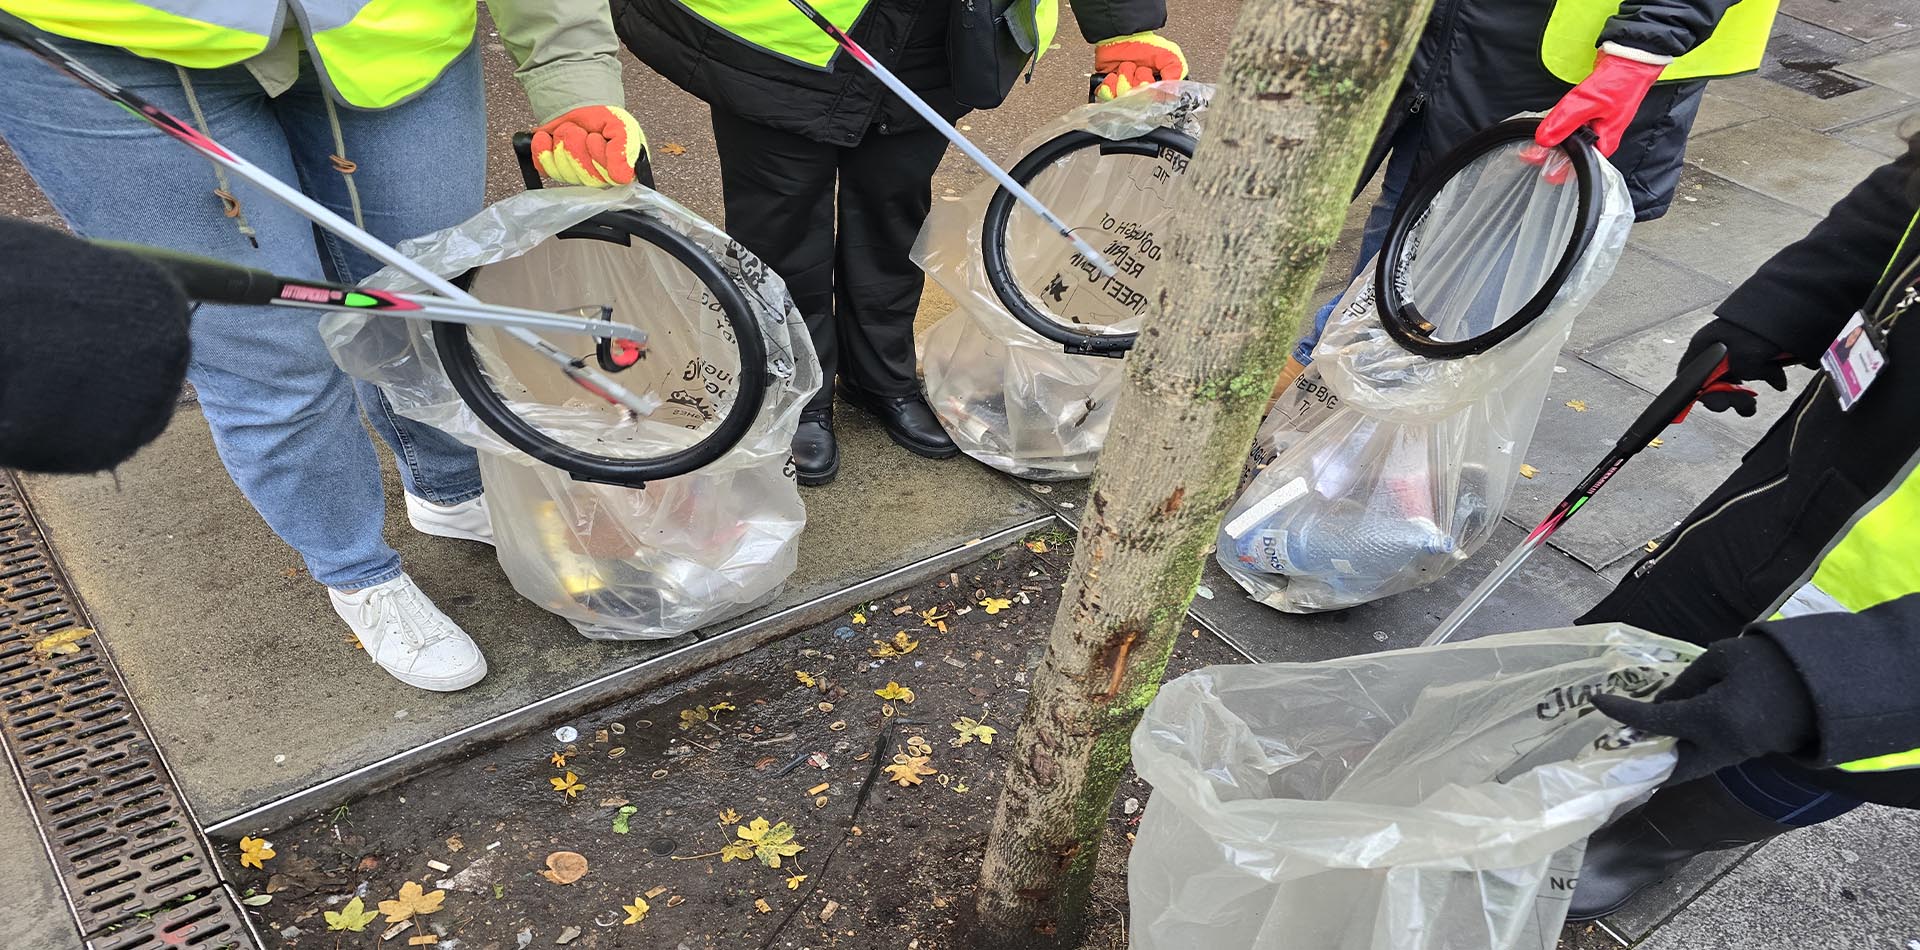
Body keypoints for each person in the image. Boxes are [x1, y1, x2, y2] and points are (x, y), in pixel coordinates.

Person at [0, 1, 646, 693]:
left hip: (391, 33)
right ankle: (356, 569)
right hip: (110, 40)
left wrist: (570, 73)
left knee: (426, 306)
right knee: (270, 355)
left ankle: (452, 490)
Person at [609, 0, 1185, 485]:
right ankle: (796, 394)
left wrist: (1123, 24)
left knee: (894, 211)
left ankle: (878, 375)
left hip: (940, 33)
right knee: (779, 224)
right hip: (782, 39)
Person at [1567, 132, 1920, 921]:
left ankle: (1640, 845)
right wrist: (1780, 310)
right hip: (1785, 504)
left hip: (1882, 652)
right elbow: (1900, 205)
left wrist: (1843, 685)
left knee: (1763, 771)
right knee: (1612, 675)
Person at [1281, 0, 1778, 381]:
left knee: (1484, 257)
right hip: (1450, 32)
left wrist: (1642, 48)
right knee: (1407, 210)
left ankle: (1385, 425)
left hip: (1571, 64)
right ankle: (1333, 376)